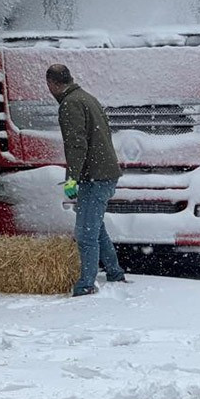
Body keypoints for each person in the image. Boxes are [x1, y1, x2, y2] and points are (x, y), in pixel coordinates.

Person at [46, 63, 126, 296]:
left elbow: (76, 145)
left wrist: (72, 179)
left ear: (52, 84)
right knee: (96, 226)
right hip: (104, 173)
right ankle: (114, 272)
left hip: (95, 177)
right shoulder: (86, 97)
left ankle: (86, 285)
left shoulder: (70, 104)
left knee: (85, 233)